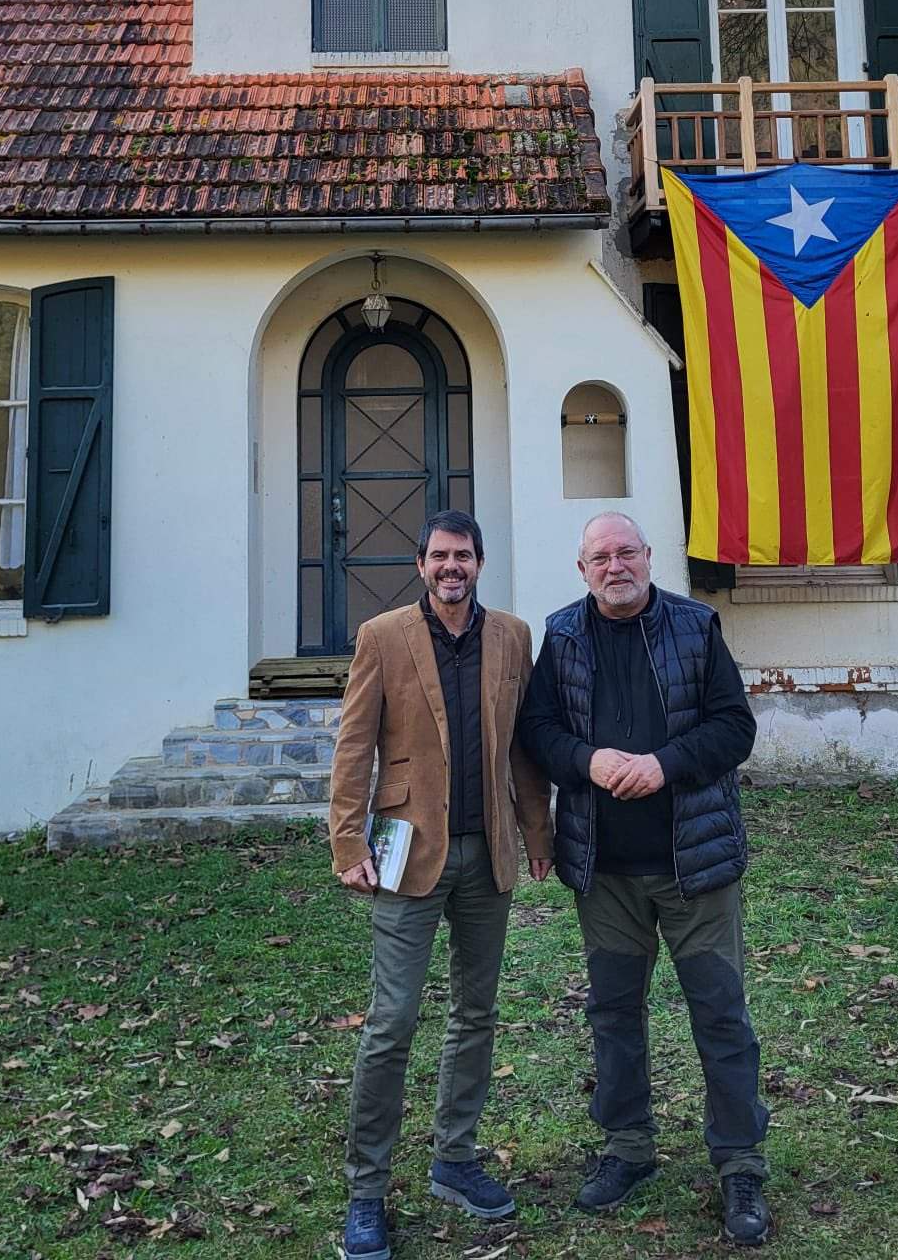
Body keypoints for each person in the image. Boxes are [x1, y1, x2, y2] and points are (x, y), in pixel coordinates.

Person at [518, 510, 772, 1247]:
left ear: (648, 557)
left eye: (626, 552)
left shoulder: (696, 628)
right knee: (614, 1018)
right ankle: (627, 1147)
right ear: (582, 569)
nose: (615, 565)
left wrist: (664, 764)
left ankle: (739, 1162)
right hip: (607, 872)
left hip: (694, 868)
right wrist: (587, 761)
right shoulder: (562, 635)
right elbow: (537, 732)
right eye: (601, 556)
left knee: (721, 1015)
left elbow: (735, 728)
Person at [328, 509, 552, 1260]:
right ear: (421, 564)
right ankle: (367, 1192)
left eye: (464, 555)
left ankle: (455, 1159)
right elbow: (354, 744)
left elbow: (523, 745)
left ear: (480, 563)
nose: (452, 567)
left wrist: (537, 833)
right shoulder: (383, 637)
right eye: (439, 556)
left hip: (486, 854)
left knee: (476, 1012)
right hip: (405, 851)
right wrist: (346, 840)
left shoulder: (513, 637)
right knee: (391, 1023)